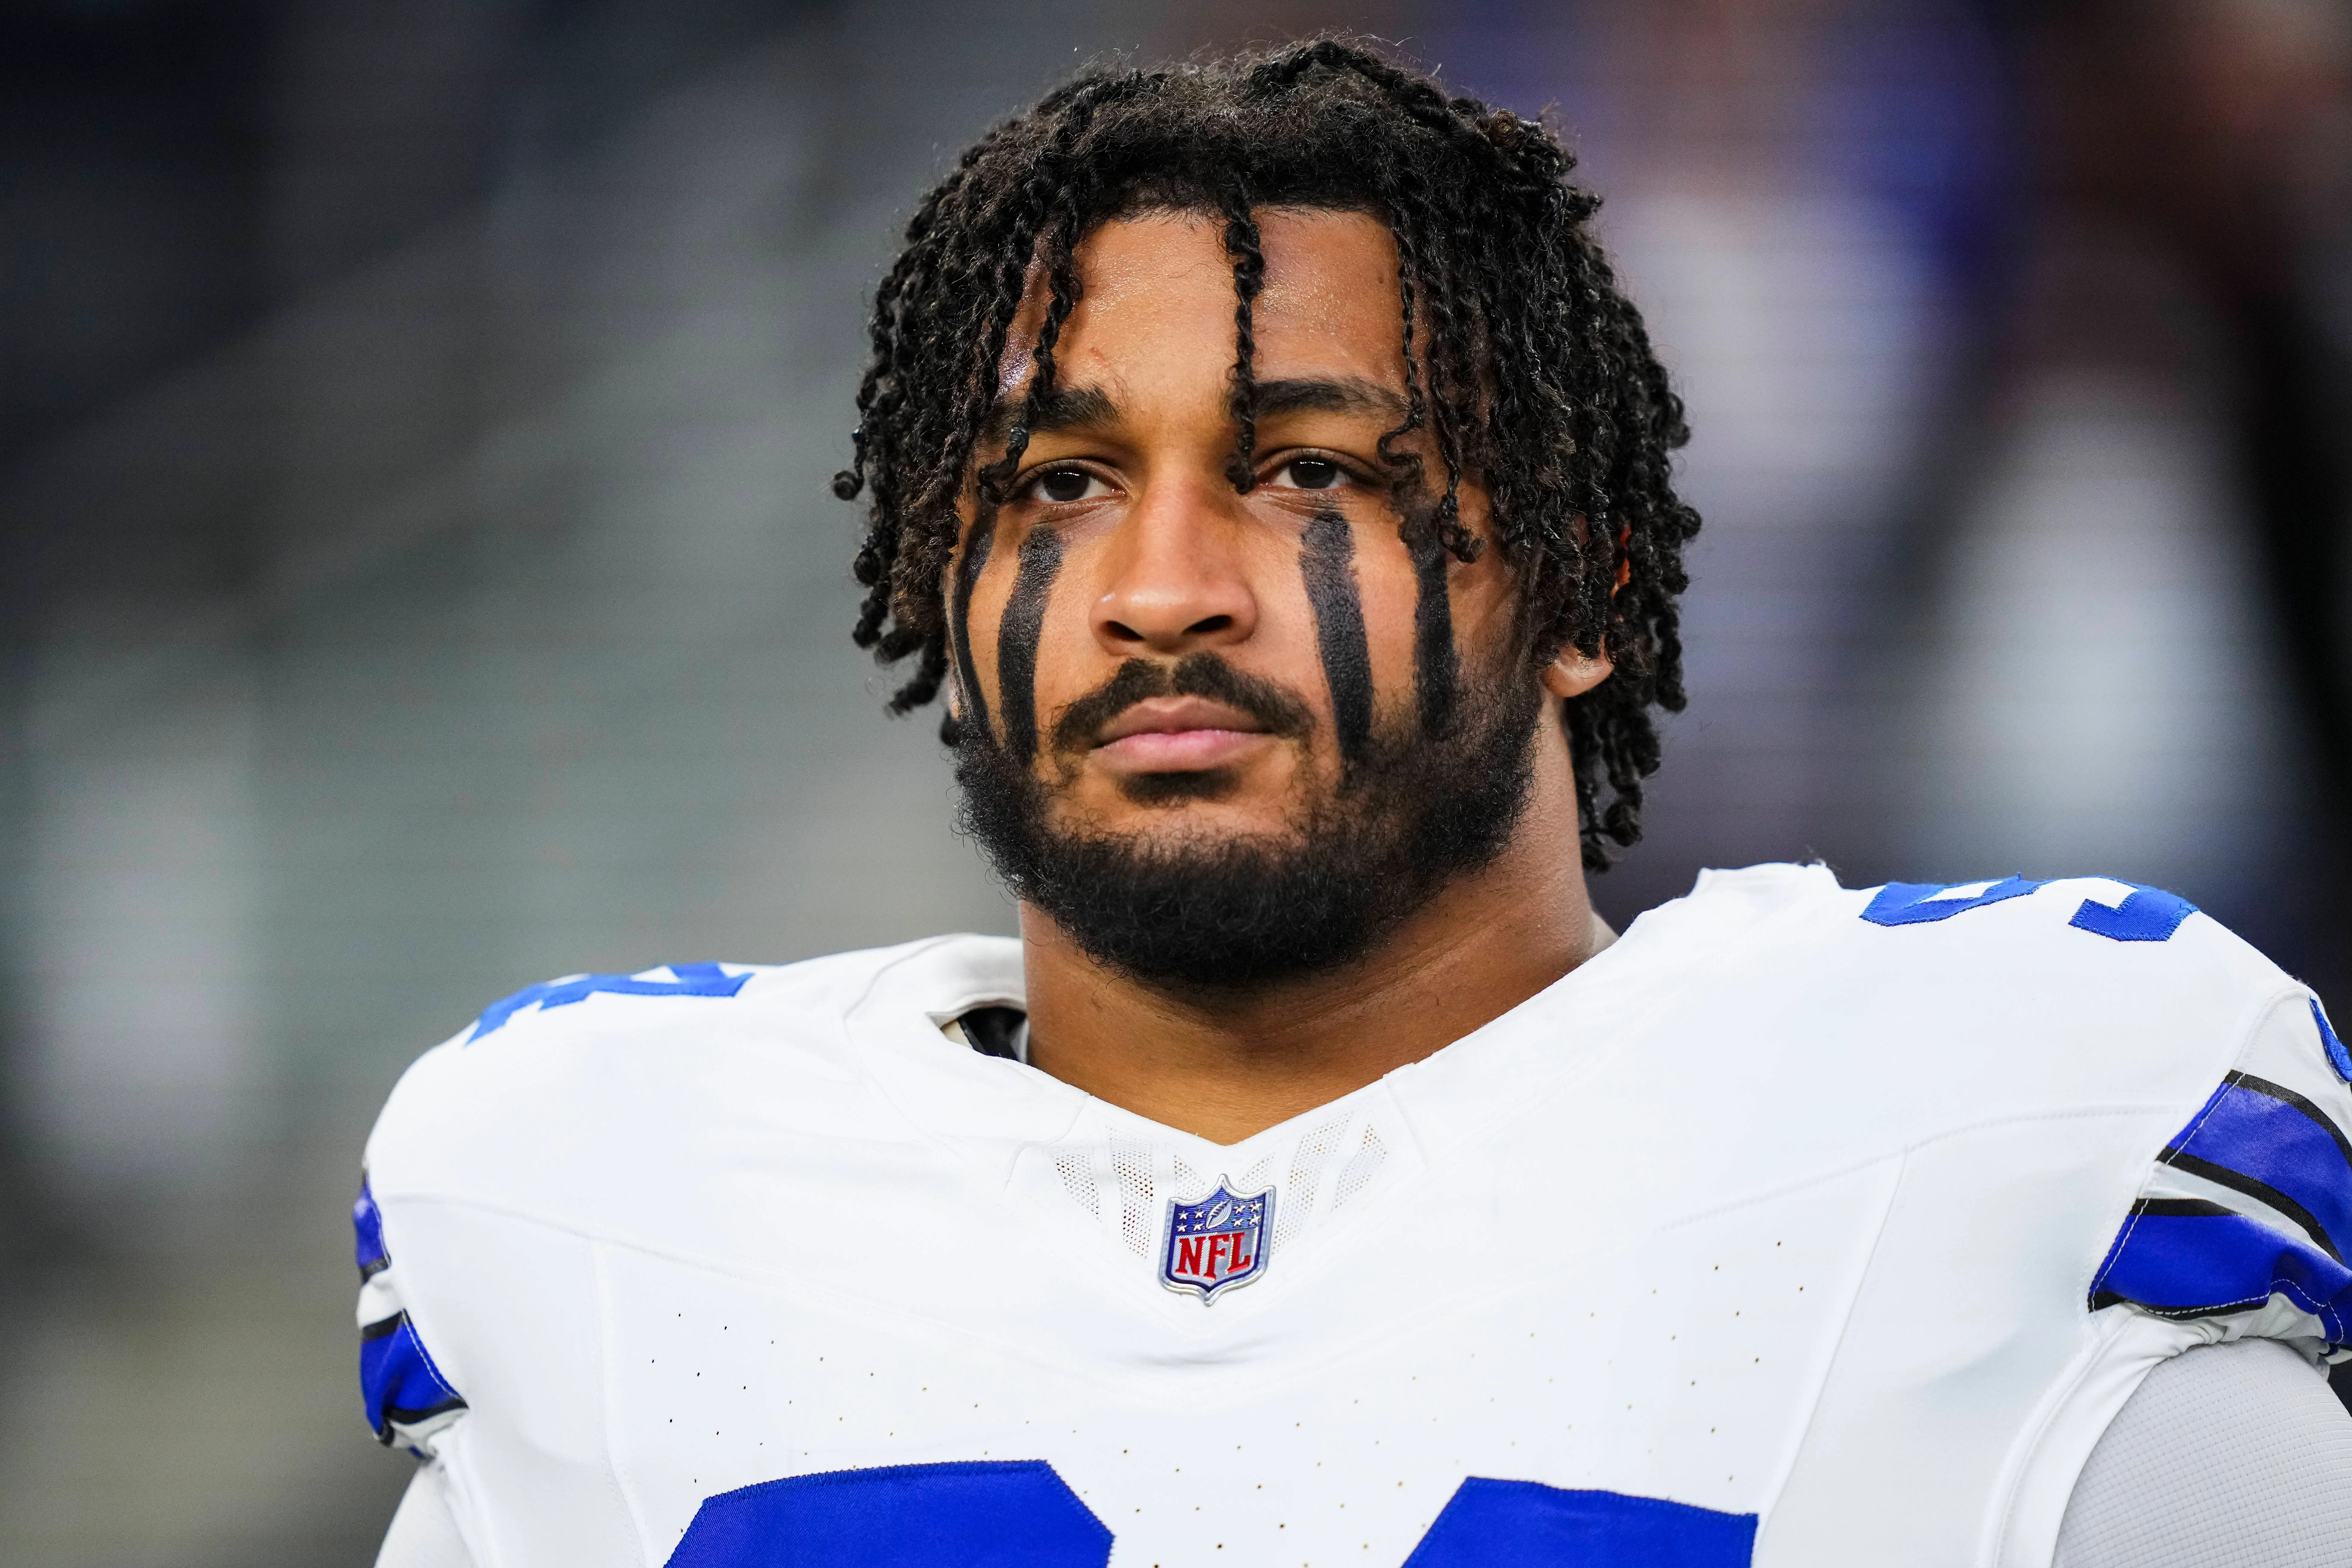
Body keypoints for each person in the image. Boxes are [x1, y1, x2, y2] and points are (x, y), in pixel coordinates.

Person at [356, 38, 2352, 1568]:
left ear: (1585, 586)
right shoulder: (604, 1190)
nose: (1159, 588)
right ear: (925, 581)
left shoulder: (2019, 1116)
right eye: (1056, 483)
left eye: (1305, 469)